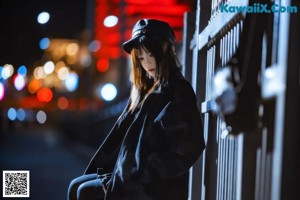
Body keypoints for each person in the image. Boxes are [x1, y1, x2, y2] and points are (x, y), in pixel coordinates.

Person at [68, 18, 205, 200]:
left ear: (166, 50)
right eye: (141, 57)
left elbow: (188, 147)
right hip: (132, 176)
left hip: (152, 186)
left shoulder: (177, 90)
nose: (146, 63)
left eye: (150, 54)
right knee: (76, 185)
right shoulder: (146, 91)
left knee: (85, 192)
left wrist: (144, 174)